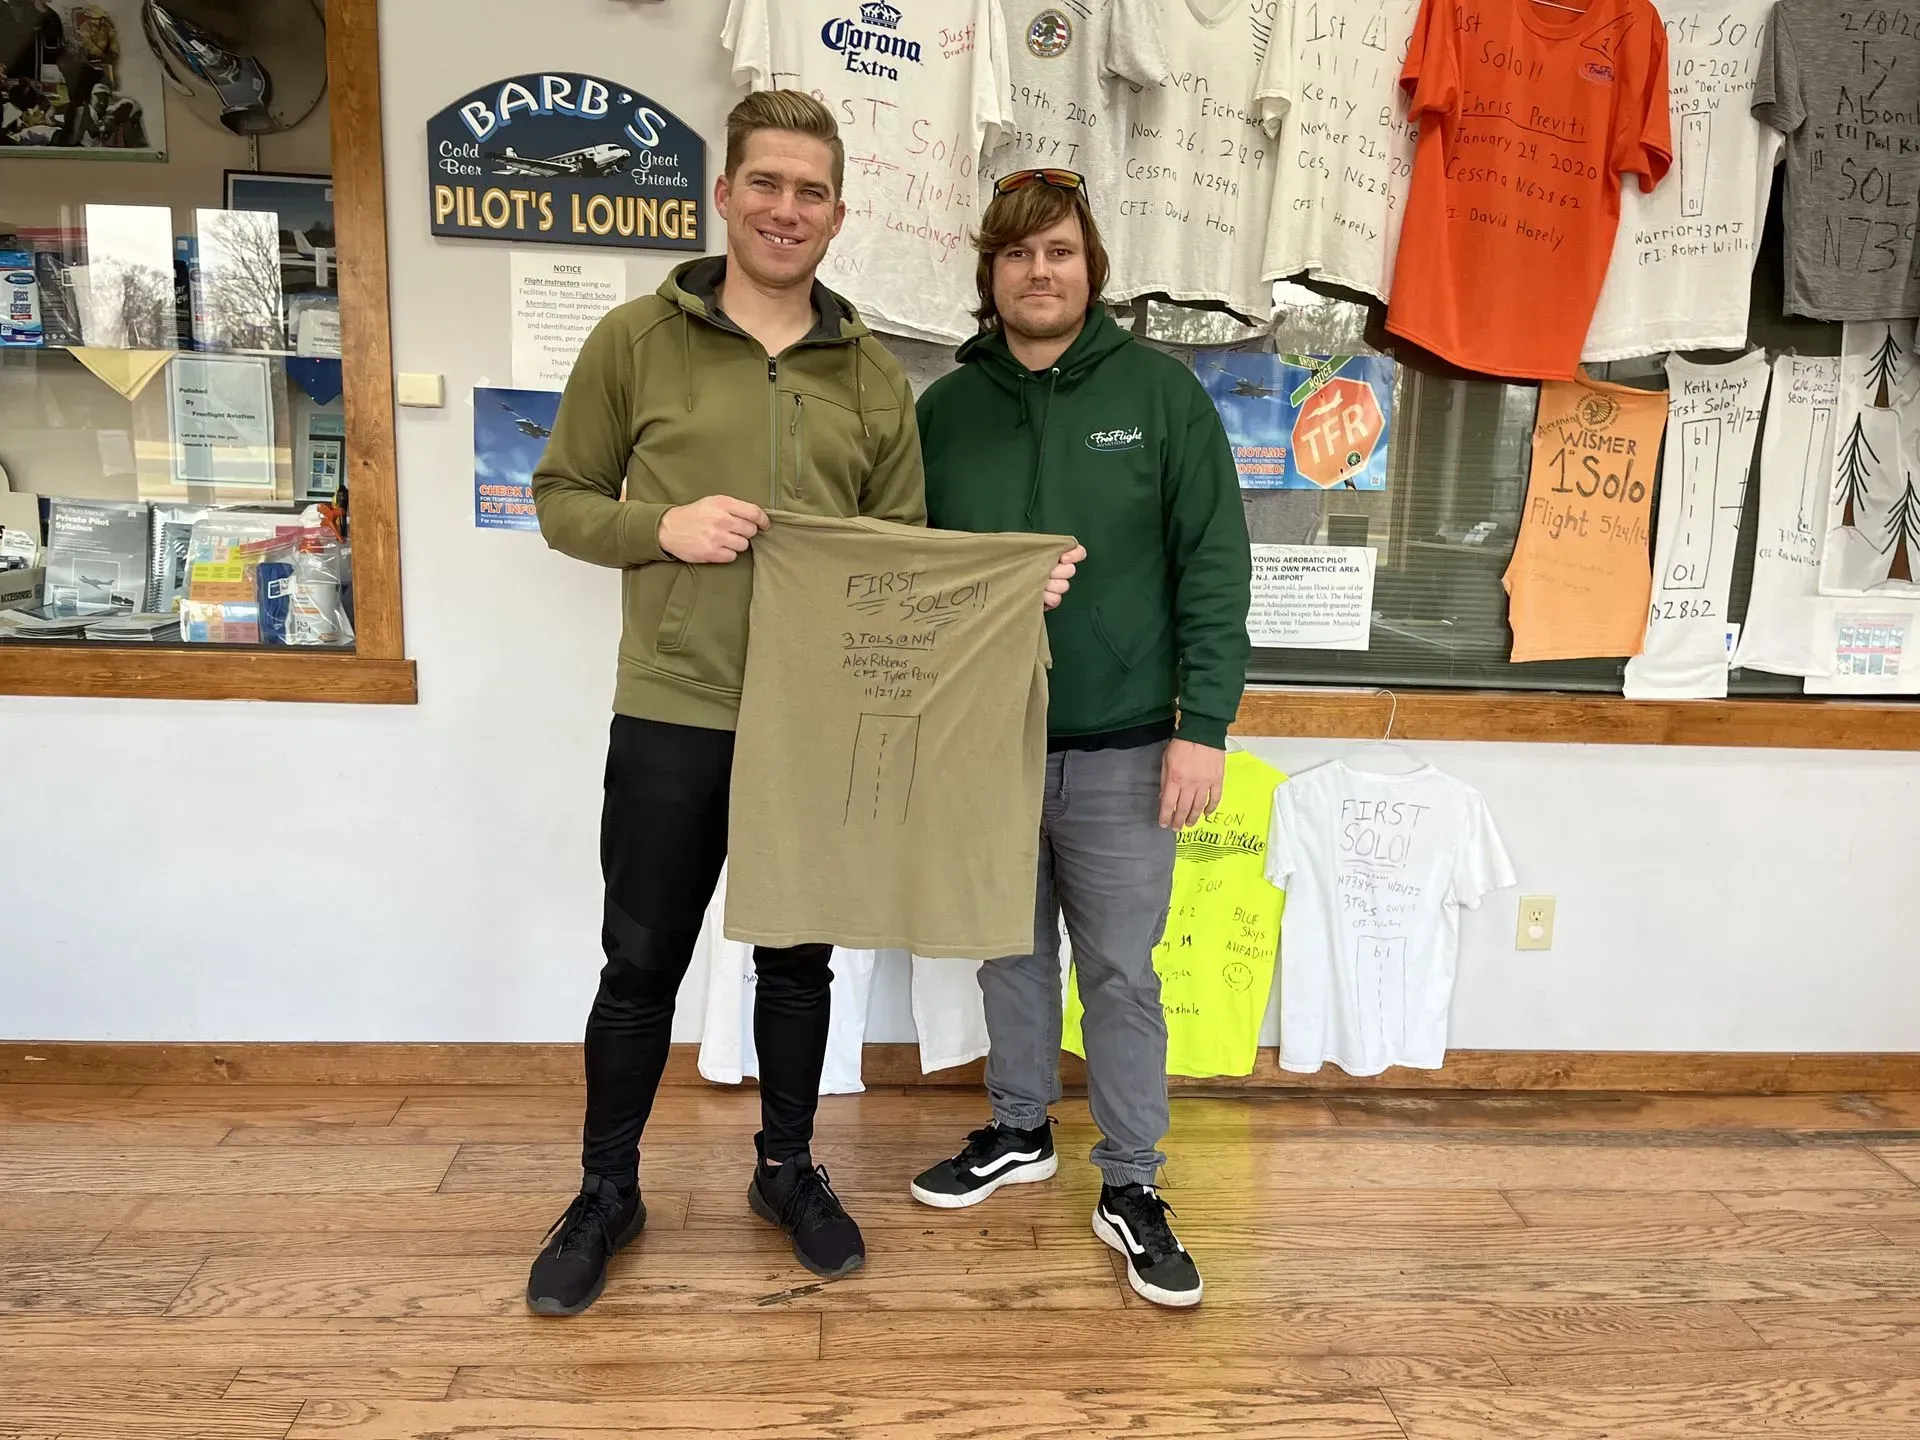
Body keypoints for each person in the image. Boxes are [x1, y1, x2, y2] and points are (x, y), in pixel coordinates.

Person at [525, 91, 1079, 1317]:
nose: (787, 209)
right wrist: (656, 525)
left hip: (820, 722)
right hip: (675, 703)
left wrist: (1008, 592)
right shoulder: (634, 342)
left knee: (798, 961)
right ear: (724, 195)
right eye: (765, 184)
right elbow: (561, 496)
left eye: (811, 191)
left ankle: (786, 1167)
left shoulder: (872, 376)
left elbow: (907, 563)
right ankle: (605, 1190)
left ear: (838, 213)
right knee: (639, 963)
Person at [908, 169, 1252, 1309]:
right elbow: (910, 574)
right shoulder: (945, 411)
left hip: (1124, 748)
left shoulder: (1159, 396)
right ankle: (1018, 1128)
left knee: (1118, 970)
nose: (1038, 272)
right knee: (1007, 953)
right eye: (1016, 255)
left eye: (1058, 251)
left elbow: (1214, 564)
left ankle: (1135, 1182)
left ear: (1090, 266)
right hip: (986, 744)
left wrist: (1202, 728)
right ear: (990, 275)